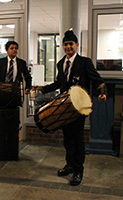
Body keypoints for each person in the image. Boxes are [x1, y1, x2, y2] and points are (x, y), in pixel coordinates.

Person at [33, 30, 107, 186]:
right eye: (65, 44)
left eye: (71, 44)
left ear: (77, 45)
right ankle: (70, 165)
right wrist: (42, 88)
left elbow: (98, 80)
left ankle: (78, 171)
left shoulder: (85, 62)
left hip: (79, 108)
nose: (68, 47)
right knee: (67, 139)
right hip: (64, 107)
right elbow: (59, 83)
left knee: (77, 139)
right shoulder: (61, 63)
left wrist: (102, 93)